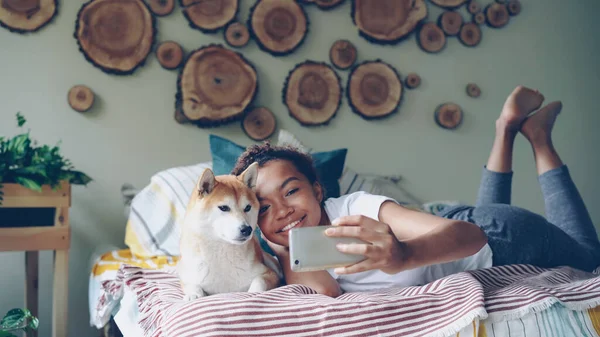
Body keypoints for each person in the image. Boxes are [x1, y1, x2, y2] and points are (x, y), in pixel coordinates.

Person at [230, 86, 600, 297]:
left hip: (503, 237)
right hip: (463, 231)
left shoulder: (356, 209)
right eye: (262, 208)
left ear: (317, 188)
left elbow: (472, 236)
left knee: (589, 257)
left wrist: (404, 255)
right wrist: (277, 244)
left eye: (291, 191)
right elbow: (327, 299)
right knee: (480, 214)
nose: (280, 211)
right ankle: (505, 130)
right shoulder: (277, 255)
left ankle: (539, 140)